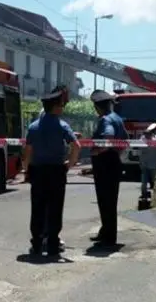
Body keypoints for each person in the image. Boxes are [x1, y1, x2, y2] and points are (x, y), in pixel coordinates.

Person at [23, 90, 80, 256]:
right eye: (60, 105)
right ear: (55, 107)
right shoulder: (62, 125)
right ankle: (53, 244)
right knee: (55, 207)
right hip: (57, 171)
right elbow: (76, 145)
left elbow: (27, 151)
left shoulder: (33, 127)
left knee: (38, 208)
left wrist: (27, 170)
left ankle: (37, 244)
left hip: (38, 171)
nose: (62, 108)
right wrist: (69, 164)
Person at [89, 89, 129, 247]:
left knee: (105, 200)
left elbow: (108, 138)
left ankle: (109, 236)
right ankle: (106, 231)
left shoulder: (105, 120)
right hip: (114, 162)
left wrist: (96, 151)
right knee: (110, 201)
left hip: (105, 163)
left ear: (98, 107)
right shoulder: (118, 119)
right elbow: (125, 141)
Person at [139, 123, 156, 198]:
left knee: (148, 180)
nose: (146, 135)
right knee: (150, 180)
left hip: (148, 163)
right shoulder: (155, 139)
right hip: (150, 163)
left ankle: (147, 194)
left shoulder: (143, 139)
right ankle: (151, 194)